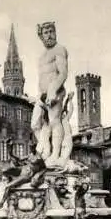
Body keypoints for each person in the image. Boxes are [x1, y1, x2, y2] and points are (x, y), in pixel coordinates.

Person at [31, 21, 69, 167]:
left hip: (55, 91)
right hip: (42, 94)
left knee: (54, 121)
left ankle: (55, 155)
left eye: (51, 31)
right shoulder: (42, 56)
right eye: (46, 32)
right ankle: (46, 150)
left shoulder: (59, 49)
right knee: (35, 124)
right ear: (41, 36)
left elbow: (63, 73)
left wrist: (53, 89)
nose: (49, 35)